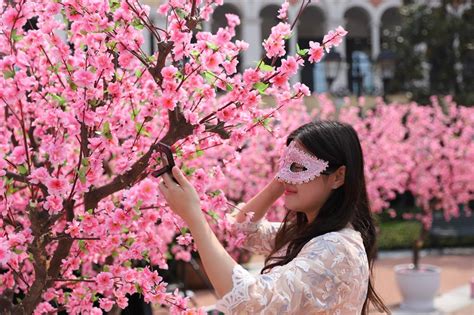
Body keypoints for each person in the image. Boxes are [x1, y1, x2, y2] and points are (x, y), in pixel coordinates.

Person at [157, 120, 390, 314]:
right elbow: (240, 230)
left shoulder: (336, 246)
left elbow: (250, 302)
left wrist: (194, 217)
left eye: (299, 167)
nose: (286, 176)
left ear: (338, 177)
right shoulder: (306, 233)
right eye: (285, 164)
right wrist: (280, 183)